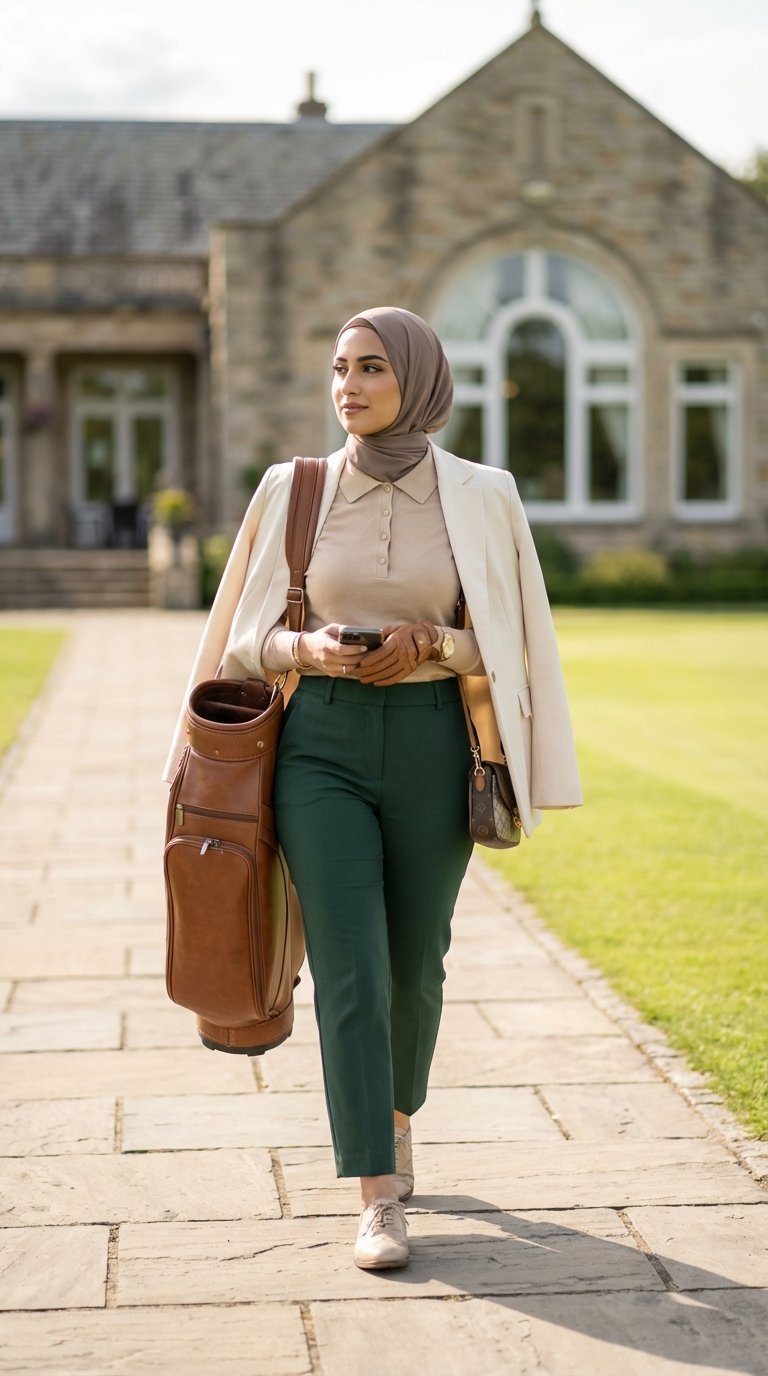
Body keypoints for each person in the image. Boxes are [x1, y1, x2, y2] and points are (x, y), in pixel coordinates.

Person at [163, 305, 582, 1271]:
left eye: (373, 369)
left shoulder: (484, 495)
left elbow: (513, 641)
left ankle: (395, 1124)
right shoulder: (294, 489)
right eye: (340, 368)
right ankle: (376, 1194)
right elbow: (242, 638)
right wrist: (303, 646)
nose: (349, 385)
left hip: (439, 743)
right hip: (319, 746)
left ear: (420, 383)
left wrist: (432, 642)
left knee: (414, 964)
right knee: (349, 961)